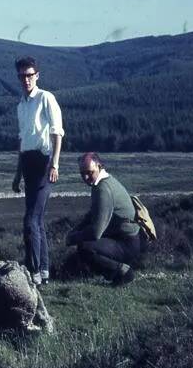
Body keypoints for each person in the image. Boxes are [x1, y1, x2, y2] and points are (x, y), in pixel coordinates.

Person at [12, 56, 64, 286]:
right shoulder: (21, 105)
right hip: (28, 162)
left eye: (30, 75)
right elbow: (23, 140)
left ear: (37, 76)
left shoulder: (46, 98)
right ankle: (43, 272)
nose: (26, 80)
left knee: (30, 221)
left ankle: (33, 273)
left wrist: (55, 163)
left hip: (44, 162)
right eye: (22, 76)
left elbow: (57, 133)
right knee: (38, 221)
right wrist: (17, 173)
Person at [66, 152, 141, 285]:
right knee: (85, 244)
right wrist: (76, 230)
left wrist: (73, 238)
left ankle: (123, 273)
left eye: (89, 172)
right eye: (82, 173)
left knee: (85, 248)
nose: (86, 177)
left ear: (99, 167)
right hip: (127, 239)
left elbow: (95, 233)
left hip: (127, 243)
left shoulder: (103, 189)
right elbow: (91, 215)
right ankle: (118, 273)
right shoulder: (103, 182)